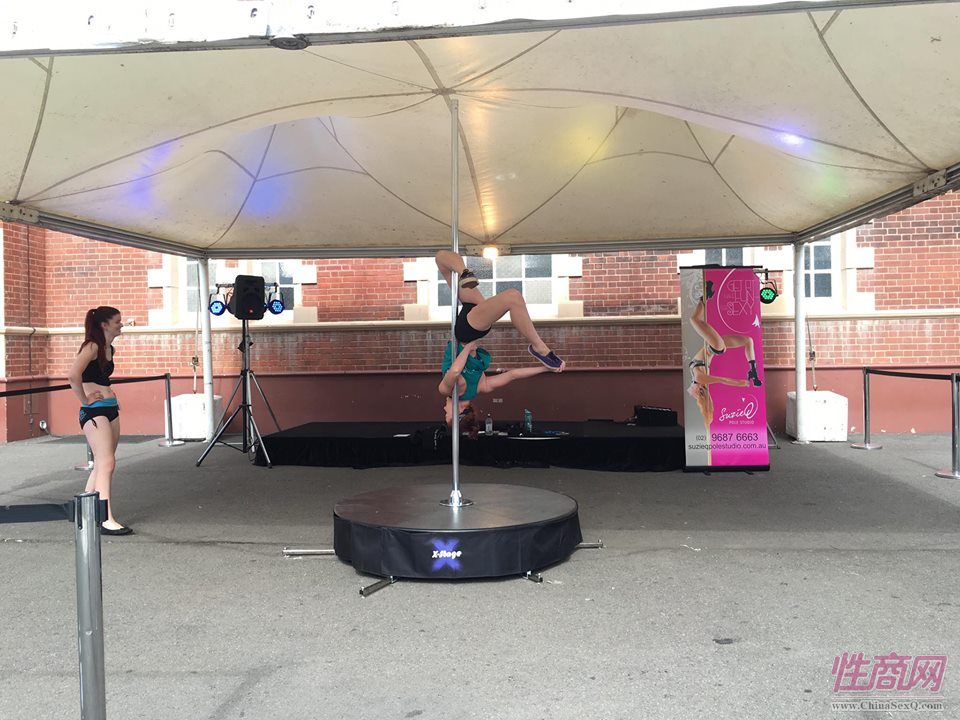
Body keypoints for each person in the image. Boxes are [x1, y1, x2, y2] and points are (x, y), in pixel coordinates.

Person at [435, 250, 564, 369]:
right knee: (513, 297)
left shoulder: (460, 374)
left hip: (468, 318)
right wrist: (541, 369)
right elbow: (512, 375)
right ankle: (539, 347)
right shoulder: (471, 377)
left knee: (440, 257)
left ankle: (465, 273)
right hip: (468, 327)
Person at [67, 306, 131, 535]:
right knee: (106, 462)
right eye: (117, 321)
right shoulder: (92, 346)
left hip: (110, 408)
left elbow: (101, 380)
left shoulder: (109, 348)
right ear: (104, 325)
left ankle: (84, 511)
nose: (121, 325)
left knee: (104, 462)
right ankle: (105, 519)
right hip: (94, 412)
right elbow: (73, 375)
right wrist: (84, 400)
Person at [439, 339, 564, 432]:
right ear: (459, 411)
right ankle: (537, 346)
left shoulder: (482, 387)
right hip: (464, 337)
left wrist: (546, 369)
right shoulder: (450, 390)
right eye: (447, 414)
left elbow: (513, 375)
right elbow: (455, 371)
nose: (444, 409)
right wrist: (468, 347)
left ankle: (538, 347)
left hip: (469, 340)